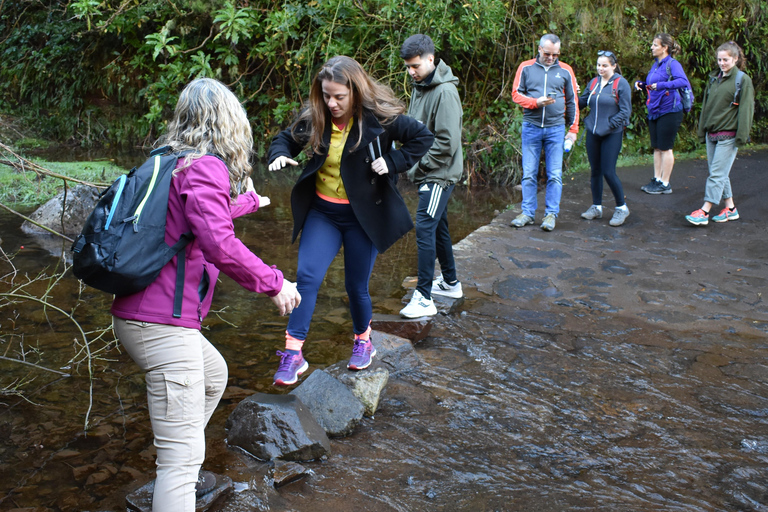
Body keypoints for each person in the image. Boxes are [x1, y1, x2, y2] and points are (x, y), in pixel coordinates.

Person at [111, 78, 301, 511]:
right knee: (182, 463)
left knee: (213, 375)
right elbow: (218, 243)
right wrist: (274, 283)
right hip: (160, 324)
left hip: (143, 315)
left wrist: (247, 204)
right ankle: (176, 469)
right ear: (229, 124)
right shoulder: (206, 167)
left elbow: (190, 224)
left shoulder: (170, 161)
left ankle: (174, 449)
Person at [267, 56, 433, 385]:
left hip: (362, 217)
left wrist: (394, 160)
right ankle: (293, 352)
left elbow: (422, 138)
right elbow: (284, 139)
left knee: (355, 286)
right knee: (307, 278)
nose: (332, 103)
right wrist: (279, 154)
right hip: (323, 213)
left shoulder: (380, 118)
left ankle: (363, 341)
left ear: (355, 92)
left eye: (339, 97)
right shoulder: (317, 117)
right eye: (326, 95)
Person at [398, 34, 464, 319]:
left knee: (424, 227)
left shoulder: (445, 92)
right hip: (428, 170)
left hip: (438, 173)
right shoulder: (421, 86)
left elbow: (447, 143)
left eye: (415, 66)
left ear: (430, 59)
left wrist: (415, 166)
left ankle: (424, 297)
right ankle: (450, 283)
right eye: (408, 67)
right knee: (438, 227)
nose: (411, 72)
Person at [510, 33, 579, 232]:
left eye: (555, 55)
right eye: (547, 54)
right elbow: (516, 94)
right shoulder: (526, 67)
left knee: (555, 174)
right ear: (539, 49)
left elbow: (572, 101)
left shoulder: (566, 70)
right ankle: (528, 213)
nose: (551, 58)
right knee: (529, 174)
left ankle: (550, 215)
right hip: (531, 127)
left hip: (556, 129)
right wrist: (535, 103)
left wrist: (573, 130)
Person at [685, 41, 754, 226]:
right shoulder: (714, 78)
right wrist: (702, 131)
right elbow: (706, 107)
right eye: (719, 59)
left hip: (729, 135)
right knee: (719, 173)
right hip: (712, 134)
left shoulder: (742, 80)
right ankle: (730, 209)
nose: (722, 63)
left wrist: (741, 136)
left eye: (726, 60)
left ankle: (704, 210)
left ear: (736, 59)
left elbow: (746, 109)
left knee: (716, 174)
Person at [578, 50, 632, 227]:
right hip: (593, 133)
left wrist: (609, 124)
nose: (600, 68)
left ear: (614, 66)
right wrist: (570, 93)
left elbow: (625, 111)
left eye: (604, 65)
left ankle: (621, 208)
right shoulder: (593, 82)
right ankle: (596, 207)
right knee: (595, 171)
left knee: (608, 171)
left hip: (611, 134)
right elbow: (582, 103)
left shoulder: (621, 84)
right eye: (598, 65)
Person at [635, 33, 689, 195]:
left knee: (666, 148)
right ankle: (657, 179)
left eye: (655, 45)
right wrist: (643, 85)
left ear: (665, 48)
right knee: (657, 147)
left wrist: (662, 85)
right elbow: (654, 85)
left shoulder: (672, 64)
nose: (652, 47)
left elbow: (682, 81)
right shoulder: (656, 65)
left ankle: (665, 183)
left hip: (670, 110)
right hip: (655, 110)